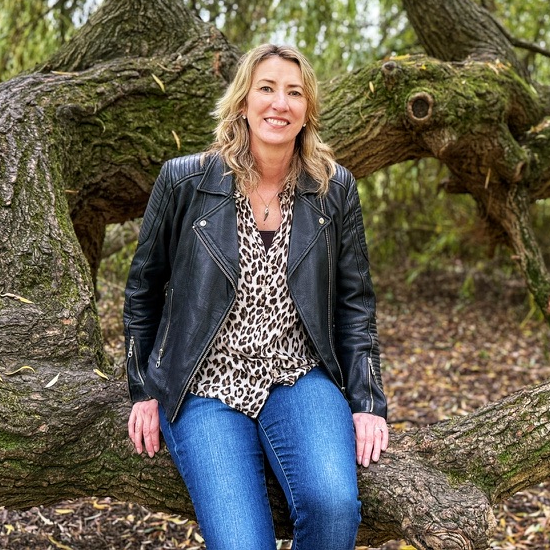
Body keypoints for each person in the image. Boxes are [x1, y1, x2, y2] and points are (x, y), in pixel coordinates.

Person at [123, 43, 388, 550]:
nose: (279, 103)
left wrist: (368, 401)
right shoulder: (185, 181)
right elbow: (143, 289)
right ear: (243, 100)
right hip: (203, 384)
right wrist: (144, 389)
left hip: (298, 375)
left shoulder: (334, 190)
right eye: (266, 88)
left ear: (307, 110)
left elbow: (355, 303)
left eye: (294, 93)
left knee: (334, 507)